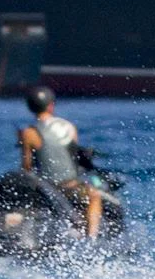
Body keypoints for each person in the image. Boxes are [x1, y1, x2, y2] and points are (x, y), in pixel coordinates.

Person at [14, 85, 106, 240]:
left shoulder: (28, 133)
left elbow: (27, 167)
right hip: (71, 186)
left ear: (30, 107)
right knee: (95, 195)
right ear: (51, 105)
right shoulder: (69, 127)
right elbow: (74, 158)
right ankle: (91, 237)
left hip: (47, 189)